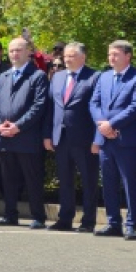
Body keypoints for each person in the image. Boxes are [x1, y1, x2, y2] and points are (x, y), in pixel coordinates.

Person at [0, 37, 48, 229]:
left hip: (27, 138)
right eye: (12, 50)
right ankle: (10, 214)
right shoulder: (3, 77)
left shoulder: (37, 76)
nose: (14, 54)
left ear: (28, 53)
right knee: (8, 180)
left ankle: (38, 216)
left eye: (19, 50)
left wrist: (18, 126)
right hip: (5, 138)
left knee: (32, 179)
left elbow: (38, 106)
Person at [89, 40, 136, 240]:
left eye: (116, 54)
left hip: (126, 140)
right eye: (110, 54)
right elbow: (94, 103)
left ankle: (131, 225)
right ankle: (113, 223)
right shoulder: (103, 77)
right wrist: (102, 124)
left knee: (130, 183)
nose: (111, 58)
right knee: (109, 182)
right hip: (105, 139)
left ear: (128, 56)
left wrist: (111, 124)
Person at [43, 42, 100, 232]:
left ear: (83, 57)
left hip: (85, 138)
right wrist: (47, 135)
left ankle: (88, 221)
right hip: (61, 137)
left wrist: (97, 139)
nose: (67, 59)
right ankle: (65, 219)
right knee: (65, 179)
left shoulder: (94, 77)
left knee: (88, 180)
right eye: (65, 56)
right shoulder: (57, 78)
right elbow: (50, 108)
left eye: (72, 56)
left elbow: (98, 109)